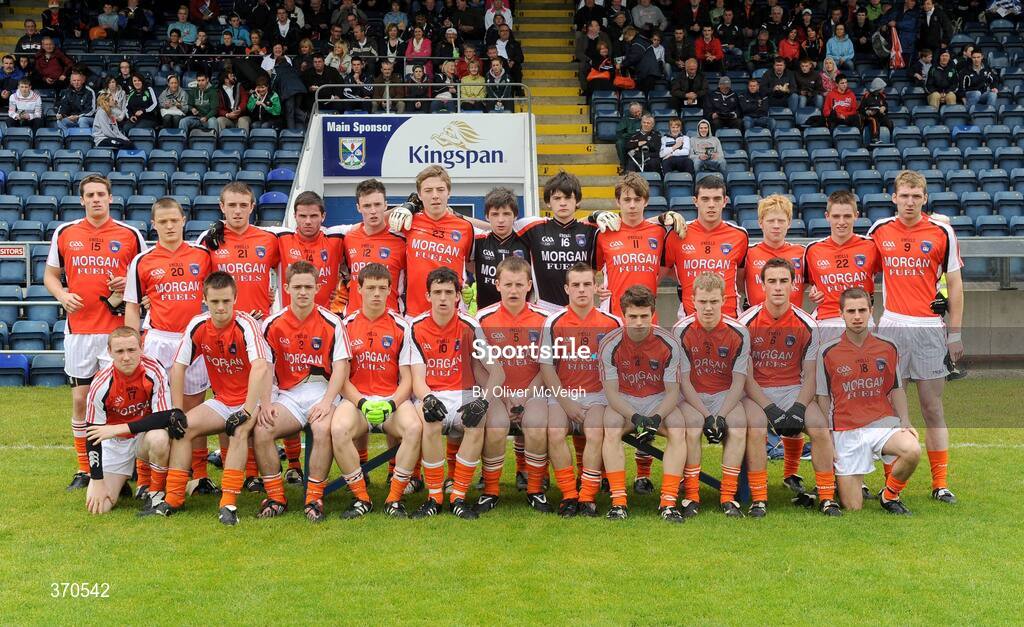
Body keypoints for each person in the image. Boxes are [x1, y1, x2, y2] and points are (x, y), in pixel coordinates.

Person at [143, 272, 271, 524]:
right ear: (205, 300)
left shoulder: (247, 324)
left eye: (226, 301)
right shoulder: (198, 324)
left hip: (252, 399)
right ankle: (173, 499)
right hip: (222, 400)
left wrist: (246, 410)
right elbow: (179, 366)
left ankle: (228, 504)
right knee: (182, 428)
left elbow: (260, 367)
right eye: (215, 302)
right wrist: (177, 411)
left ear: (235, 298)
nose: (221, 308)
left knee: (238, 432)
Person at [45, 175, 147, 491]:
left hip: (118, 334)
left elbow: (145, 279)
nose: (96, 200)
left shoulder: (130, 235)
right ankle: (85, 469)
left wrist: (125, 283)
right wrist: (62, 295)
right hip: (80, 331)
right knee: (81, 400)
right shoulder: (65, 233)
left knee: (120, 401)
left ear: (111, 198)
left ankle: (127, 469)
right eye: (90, 195)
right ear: (82, 200)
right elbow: (50, 275)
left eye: (101, 194)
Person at [868, 170, 964, 504]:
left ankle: (940, 484)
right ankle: (890, 485)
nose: (909, 201)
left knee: (932, 407)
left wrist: (956, 334)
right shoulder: (879, 231)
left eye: (916, 196)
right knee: (890, 409)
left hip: (929, 328)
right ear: (894, 198)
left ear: (924, 198)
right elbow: (860, 272)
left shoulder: (942, 232)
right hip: (892, 326)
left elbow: (954, 285)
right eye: (904, 195)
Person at [124, 197, 215, 494]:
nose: (169, 226)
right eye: (162, 221)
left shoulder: (203, 255)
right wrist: (132, 341)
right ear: (154, 225)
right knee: (155, 408)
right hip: (159, 340)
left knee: (194, 409)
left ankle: (198, 476)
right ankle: (146, 478)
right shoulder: (143, 261)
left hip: (194, 339)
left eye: (174, 220)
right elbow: (132, 306)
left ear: (184, 219)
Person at [739, 259, 841, 517]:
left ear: (793, 285)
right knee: (757, 428)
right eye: (771, 281)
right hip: (757, 392)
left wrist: (797, 408)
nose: (777, 287)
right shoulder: (745, 323)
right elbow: (745, 377)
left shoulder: (807, 323)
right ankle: (759, 499)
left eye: (784, 281)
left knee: (819, 428)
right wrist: (770, 409)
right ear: (761, 285)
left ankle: (827, 496)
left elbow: (810, 376)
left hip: (793, 389)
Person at [406, 267, 504, 519]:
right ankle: (434, 497)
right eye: (437, 292)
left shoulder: (471, 325)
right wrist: (427, 398)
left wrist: (482, 402)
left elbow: (497, 372)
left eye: (448, 292)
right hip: (432, 391)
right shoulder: (415, 326)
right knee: (430, 422)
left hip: (465, 392)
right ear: (427, 296)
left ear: (458, 296)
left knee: (477, 423)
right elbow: (418, 377)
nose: (442, 298)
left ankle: (458, 496)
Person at [255, 261, 349, 520]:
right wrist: (265, 403)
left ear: (318, 288)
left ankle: (314, 498)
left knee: (321, 429)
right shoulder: (272, 324)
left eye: (309, 286)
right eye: (297, 287)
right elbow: (265, 367)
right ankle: (275, 496)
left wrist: (328, 402)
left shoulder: (332, 322)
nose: (303, 292)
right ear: (286, 288)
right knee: (262, 429)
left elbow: (341, 368)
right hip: (289, 395)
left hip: (322, 391)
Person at [818, 287, 920, 514]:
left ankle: (889, 495)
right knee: (853, 507)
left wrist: (905, 420)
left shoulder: (888, 347)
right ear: (841, 313)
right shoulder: (828, 352)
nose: (857, 316)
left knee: (912, 450)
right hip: (846, 431)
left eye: (862, 310)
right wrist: (828, 436)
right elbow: (823, 399)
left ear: (871, 311)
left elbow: (896, 389)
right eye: (851, 311)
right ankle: (838, 481)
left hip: (881, 424)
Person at [330, 263, 421, 518]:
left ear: (390, 290)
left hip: (392, 400)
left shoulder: (402, 326)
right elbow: (342, 377)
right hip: (357, 402)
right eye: (370, 288)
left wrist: (391, 404)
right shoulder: (344, 326)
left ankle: (394, 499)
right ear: (358, 289)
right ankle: (361, 497)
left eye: (382, 288)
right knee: (338, 430)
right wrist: (362, 403)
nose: (376, 294)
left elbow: (408, 379)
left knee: (414, 428)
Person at [539, 262, 622, 517]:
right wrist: (566, 402)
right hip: (562, 394)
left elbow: (618, 369)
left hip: (598, 396)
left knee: (596, 431)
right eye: (576, 285)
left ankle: (587, 496)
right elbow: (547, 368)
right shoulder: (553, 321)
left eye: (587, 284)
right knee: (554, 432)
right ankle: (568, 495)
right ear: (566, 289)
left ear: (596, 288)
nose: (582, 290)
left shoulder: (612, 322)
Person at [599, 286, 687, 521]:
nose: (638, 322)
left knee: (678, 427)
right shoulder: (609, 343)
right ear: (623, 315)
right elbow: (611, 393)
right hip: (625, 401)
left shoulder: (668, 342)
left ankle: (668, 503)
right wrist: (636, 418)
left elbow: (673, 391)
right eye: (633, 317)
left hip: (658, 400)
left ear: (653, 314)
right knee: (611, 425)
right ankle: (619, 502)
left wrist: (656, 417)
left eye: (644, 316)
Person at [474, 257, 549, 514]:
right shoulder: (482, 319)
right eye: (508, 284)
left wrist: (527, 396)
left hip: (535, 391)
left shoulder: (544, 319)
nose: (514, 290)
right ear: (497, 285)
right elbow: (478, 367)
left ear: (529, 285)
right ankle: (491, 490)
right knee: (495, 428)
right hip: (497, 392)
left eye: (519, 284)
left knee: (537, 426)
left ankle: (535, 489)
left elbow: (547, 366)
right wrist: (502, 395)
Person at [673, 272, 749, 518]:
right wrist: (707, 415)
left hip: (726, 395)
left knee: (737, 426)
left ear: (724, 300)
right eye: (703, 301)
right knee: (693, 426)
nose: (708, 307)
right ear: (692, 299)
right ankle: (692, 496)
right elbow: (683, 381)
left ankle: (728, 496)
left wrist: (722, 415)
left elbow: (739, 381)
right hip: (692, 397)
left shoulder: (739, 331)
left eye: (714, 301)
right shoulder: (680, 330)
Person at [81, 327, 176, 514]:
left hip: (144, 436)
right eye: (119, 351)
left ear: (141, 348)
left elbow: (164, 416)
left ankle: (155, 493)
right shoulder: (100, 384)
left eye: (131, 350)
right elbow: (92, 437)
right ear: (109, 352)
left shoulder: (154, 369)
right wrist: (98, 481)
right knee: (99, 508)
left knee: (159, 438)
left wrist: (118, 428)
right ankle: (120, 481)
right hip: (116, 444)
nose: (126, 357)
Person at [386, 166, 475, 317]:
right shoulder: (408, 221)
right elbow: (375, 221)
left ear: (449, 192)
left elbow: (472, 264)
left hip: (453, 314)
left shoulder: (465, 227)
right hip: (415, 314)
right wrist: (408, 205)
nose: (435, 196)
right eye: (428, 191)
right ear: (419, 195)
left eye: (440, 190)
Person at [664, 174, 748, 319]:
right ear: (695, 201)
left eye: (716, 199)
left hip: (729, 318)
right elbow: (661, 271)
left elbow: (740, 278)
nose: (711, 204)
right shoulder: (677, 234)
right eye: (705, 199)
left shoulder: (740, 235)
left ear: (725, 201)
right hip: (689, 319)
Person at [803, 190, 881, 343]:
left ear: (856, 215)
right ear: (827, 216)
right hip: (827, 321)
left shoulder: (871, 246)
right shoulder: (813, 250)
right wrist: (813, 291)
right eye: (836, 216)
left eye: (847, 216)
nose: (841, 222)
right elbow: (810, 283)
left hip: (861, 320)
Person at [594, 173, 669, 320]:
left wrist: (654, 281)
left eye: (637, 199)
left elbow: (669, 266)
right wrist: (595, 287)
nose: (632, 205)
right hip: (614, 315)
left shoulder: (659, 232)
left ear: (646, 201)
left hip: (647, 316)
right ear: (618, 202)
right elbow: (589, 269)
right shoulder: (604, 232)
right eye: (627, 200)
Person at [472, 188, 530, 310]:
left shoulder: (527, 241)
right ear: (487, 216)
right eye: (495, 214)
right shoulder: (479, 241)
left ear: (515, 216)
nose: (501, 220)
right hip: (485, 314)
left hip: (520, 314)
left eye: (506, 214)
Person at [744, 195, 805, 308]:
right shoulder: (748, 253)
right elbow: (738, 283)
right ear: (760, 223)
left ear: (789, 223)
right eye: (771, 221)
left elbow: (810, 284)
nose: (776, 226)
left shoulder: (802, 253)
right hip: (757, 322)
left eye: (781, 221)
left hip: (793, 322)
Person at [619, 26, 661, 93]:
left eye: (625, 35)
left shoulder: (637, 42)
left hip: (648, 73)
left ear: (628, 34)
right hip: (647, 72)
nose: (625, 39)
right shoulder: (639, 41)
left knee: (646, 94)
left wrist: (621, 64)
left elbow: (634, 57)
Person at [860, 77, 894, 145]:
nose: (883, 89)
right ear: (877, 88)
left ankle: (891, 138)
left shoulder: (882, 96)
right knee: (873, 120)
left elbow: (886, 106)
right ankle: (874, 139)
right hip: (869, 116)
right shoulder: (866, 96)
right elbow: (861, 109)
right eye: (882, 87)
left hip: (879, 115)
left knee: (889, 122)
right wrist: (867, 112)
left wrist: (884, 108)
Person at [615, 101, 644, 169]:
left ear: (641, 109)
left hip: (643, 139)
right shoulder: (625, 119)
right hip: (629, 140)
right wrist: (630, 135)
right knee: (619, 143)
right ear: (630, 112)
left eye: (638, 111)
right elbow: (619, 133)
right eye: (635, 113)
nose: (637, 114)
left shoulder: (646, 117)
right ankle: (623, 166)